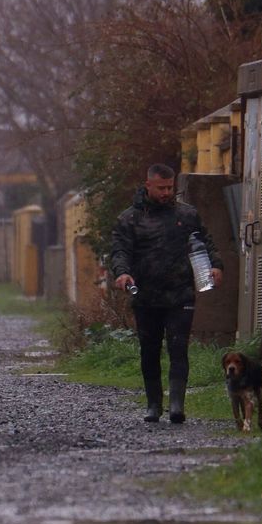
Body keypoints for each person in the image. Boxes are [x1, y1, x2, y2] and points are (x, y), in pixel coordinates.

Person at [109, 164, 224, 424]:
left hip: (180, 293)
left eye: (170, 188)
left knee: (178, 347)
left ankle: (176, 405)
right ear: (148, 185)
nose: (166, 192)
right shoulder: (130, 219)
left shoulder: (187, 214)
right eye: (161, 188)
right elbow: (120, 250)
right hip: (146, 295)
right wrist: (122, 273)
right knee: (149, 350)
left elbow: (205, 242)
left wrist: (215, 265)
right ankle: (153, 404)